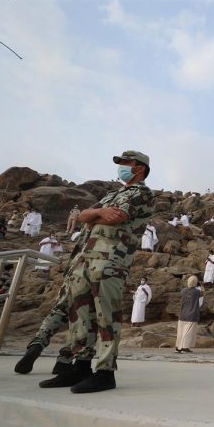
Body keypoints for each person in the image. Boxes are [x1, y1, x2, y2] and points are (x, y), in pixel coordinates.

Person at [38, 149, 154, 393]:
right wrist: (99, 213)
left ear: (140, 168)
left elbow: (117, 218)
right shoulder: (113, 194)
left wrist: (94, 217)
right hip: (86, 257)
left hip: (111, 260)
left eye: (126, 162)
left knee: (106, 315)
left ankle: (105, 372)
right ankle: (80, 367)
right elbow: (82, 216)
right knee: (80, 314)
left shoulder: (142, 193)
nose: (122, 166)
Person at [176, 275, 202, 353]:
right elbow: (203, 294)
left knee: (180, 332)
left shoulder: (183, 291)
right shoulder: (197, 292)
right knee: (188, 332)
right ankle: (184, 347)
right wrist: (201, 286)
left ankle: (178, 347)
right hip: (192, 314)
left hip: (183, 313)